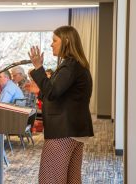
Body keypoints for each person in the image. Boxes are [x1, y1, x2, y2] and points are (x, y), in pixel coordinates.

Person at [28, 25, 94, 184]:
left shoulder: (70, 66)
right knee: (71, 179)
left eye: (54, 41)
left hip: (64, 130)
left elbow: (52, 92)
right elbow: (54, 94)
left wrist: (38, 68)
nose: (51, 44)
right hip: (73, 129)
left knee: (49, 179)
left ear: (66, 41)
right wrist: (41, 88)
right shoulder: (75, 65)